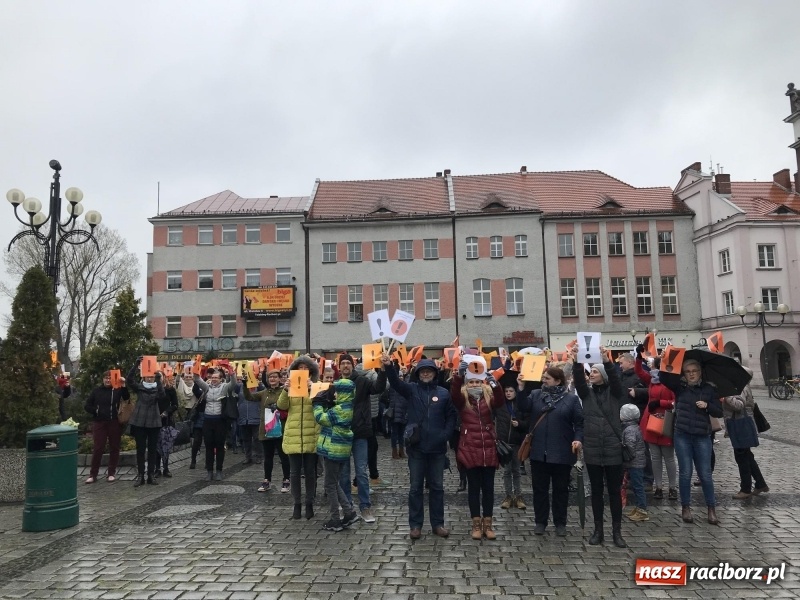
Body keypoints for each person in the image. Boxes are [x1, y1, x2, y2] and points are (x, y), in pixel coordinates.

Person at [382, 353, 456, 540]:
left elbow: (451, 417)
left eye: (428, 371)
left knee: (437, 488)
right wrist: (389, 366)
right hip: (416, 448)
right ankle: (415, 525)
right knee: (415, 488)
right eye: (422, 371)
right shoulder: (412, 389)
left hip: (437, 449)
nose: (425, 374)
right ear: (417, 373)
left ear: (434, 373)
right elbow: (396, 384)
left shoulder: (443, 393)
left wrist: (445, 435)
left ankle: (437, 524)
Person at [570, 344, 627, 548]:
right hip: (593, 448)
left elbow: (617, 381)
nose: (591, 374)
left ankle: (617, 532)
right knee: (595, 491)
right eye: (590, 371)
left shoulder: (615, 394)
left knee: (613, 491)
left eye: (594, 371)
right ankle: (598, 530)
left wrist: (607, 361)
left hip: (613, 447)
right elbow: (578, 380)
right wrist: (577, 360)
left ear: (603, 374)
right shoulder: (586, 394)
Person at [519, 366, 583, 537]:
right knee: (539, 490)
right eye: (543, 377)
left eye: (547, 378)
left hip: (562, 452)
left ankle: (560, 522)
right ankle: (540, 521)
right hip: (539, 451)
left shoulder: (571, 400)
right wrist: (520, 388)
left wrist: (578, 439)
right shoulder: (535, 395)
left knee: (560, 490)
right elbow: (523, 407)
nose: (543, 380)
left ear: (558, 380)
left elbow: (579, 423)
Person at [660, 358, 723, 525]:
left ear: (700, 372)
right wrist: (666, 361)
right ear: (684, 374)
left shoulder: (709, 389)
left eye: (694, 371)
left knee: (705, 474)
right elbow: (664, 379)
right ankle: (685, 507)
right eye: (688, 372)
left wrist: (707, 405)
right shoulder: (680, 388)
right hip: (683, 435)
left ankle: (711, 509)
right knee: (685, 473)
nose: (691, 374)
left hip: (702, 436)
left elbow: (719, 411)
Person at [450, 357, 505, 540]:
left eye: (477, 381)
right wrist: (459, 376)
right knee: (474, 488)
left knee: (488, 488)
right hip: (470, 448)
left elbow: (500, 401)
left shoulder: (489, 396)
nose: (474, 384)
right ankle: (475, 524)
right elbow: (454, 395)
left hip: (488, 447)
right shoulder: (463, 398)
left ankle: (488, 524)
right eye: (471, 381)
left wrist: (494, 384)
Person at [338, 353, 386, 524]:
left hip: (360, 433)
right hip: (342, 434)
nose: (345, 366)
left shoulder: (362, 381)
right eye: (342, 363)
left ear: (352, 365)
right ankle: (347, 507)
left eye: (348, 363)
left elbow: (379, 388)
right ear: (339, 366)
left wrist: (382, 370)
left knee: (361, 472)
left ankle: (365, 507)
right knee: (343, 474)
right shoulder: (335, 384)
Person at [277, 355, 320, 520]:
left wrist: (313, 388)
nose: (302, 371)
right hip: (294, 433)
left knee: (310, 472)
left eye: (305, 368)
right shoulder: (290, 387)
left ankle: (309, 503)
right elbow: (282, 406)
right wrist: (285, 389)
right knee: (294, 472)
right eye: (299, 368)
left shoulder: (316, 385)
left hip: (311, 433)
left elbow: (322, 403)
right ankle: (296, 504)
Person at [314, 378, 360, 531]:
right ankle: (349, 513)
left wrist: (317, 404)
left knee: (329, 485)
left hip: (333, 449)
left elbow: (322, 419)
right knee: (335, 483)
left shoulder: (340, 409)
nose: (334, 395)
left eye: (337, 392)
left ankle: (335, 519)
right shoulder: (346, 406)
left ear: (344, 394)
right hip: (340, 450)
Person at [634, 352, 677, 500]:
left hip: (666, 421)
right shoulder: (653, 379)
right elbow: (639, 371)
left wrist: (660, 403)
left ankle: (672, 487)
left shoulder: (672, 381)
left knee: (669, 458)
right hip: (651, 421)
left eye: (653, 365)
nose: (651, 368)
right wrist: (638, 358)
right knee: (655, 458)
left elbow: (675, 402)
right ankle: (658, 487)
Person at [723, 369, 768, 499]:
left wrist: (726, 396)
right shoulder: (741, 385)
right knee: (747, 456)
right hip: (740, 424)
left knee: (742, 457)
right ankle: (760, 483)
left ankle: (745, 489)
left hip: (740, 425)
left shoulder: (740, 386)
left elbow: (739, 405)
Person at [245, 368, 290, 493]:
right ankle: (267, 480)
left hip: (280, 428)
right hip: (267, 429)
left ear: (280, 379)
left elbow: (288, 406)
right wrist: (245, 384)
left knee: (283, 456)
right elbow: (249, 397)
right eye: (270, 377)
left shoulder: (284, 391)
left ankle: (286, 480)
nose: (272, 379)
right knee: (268, 457)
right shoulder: (264, 392)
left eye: (275, 377)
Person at [127, 359, 168, 487]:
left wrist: (158, 378)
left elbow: (162, 395)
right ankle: (140, 475)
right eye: (148, 376)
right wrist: (135, 364)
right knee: (140, 449)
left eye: (151, 377)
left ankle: (150, 475)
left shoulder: (157, 388)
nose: (150, 379)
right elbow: (129, 380)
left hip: (153, 421)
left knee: (152, 449)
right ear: (144, 377)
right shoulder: (140, 387)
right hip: (140, 421)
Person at [84, 370, 130, 483]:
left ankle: (111, 473)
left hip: (114, 422)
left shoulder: (117, 390)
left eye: (110, 378)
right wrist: (96, 411)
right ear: (102, 379)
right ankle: (93, 474)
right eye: (106, 378)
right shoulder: (97, 391)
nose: (108, 380)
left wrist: (123, 385)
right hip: (99, 422)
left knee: (114, 447)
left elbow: (126, 398)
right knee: (98, 448)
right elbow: (87, 405)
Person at [194, 366, 237, 481]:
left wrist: (232, 374)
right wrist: (195, 369)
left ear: (221, 379)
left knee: (219, 447)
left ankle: (219, 470)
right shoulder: (207, 388)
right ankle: (209, 471)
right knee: (208, 447)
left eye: (216, 378)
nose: (213, 379)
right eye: (212, 377)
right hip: (208, 420)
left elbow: (233, 384)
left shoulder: (224, 387)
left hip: (220, 421)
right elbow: (198, 380)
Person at [496, 383, 529, 510]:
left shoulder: (521, 406)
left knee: (516, 470)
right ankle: (508, 496)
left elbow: (528, 423)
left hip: (517, 443)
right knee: (506, 471)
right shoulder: (500, 406)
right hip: (504, 443)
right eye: (506, 391)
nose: (508, 393)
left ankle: (518, 496)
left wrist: (519, 424)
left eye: (511, 391)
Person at [621, 404, 648, 521]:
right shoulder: (634, 427)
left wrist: (623, 454)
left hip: (635, 463)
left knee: (638, 487)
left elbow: (630, 448)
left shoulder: (629, 430)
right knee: (637, 486)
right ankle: (638, 508)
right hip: (636, 462)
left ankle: (642, 509)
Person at [154, 373, 179, 478]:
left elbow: (175, 405)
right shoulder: (152, 390)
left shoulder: (170, 389)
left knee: (166, 445)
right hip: (154, 421)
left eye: (160, 377)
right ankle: (157, 469)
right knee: (156, 446)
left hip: (166, 421)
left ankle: (166, 468)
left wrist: (166, 412)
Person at [237, 370, 263, 466]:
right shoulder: (240, 387)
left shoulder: (259, 388)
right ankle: (248, 457)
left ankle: (258, 456)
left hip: (256, 417)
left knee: (257, 439)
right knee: (246, 439)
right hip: (243, 418)